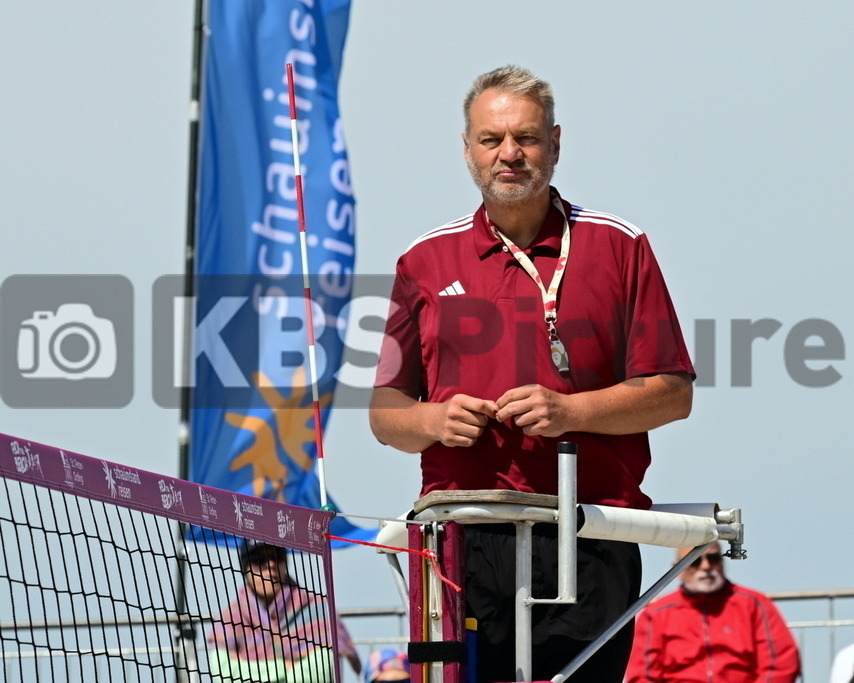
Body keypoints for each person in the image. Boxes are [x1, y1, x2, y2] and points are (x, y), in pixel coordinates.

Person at [370, 64, 695, 683]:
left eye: (527, 137)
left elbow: (672, 393)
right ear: (467, 148)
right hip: (460, 536)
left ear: (556, 143)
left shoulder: (619, 246)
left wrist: (570, 411)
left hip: (587, 528)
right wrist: (434, 419)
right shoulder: (423, 260)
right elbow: (385, 414)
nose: (510, 154)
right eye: (492, 139)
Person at [625, 542, 801, 682]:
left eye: (714, 558)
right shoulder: (656, 615)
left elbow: (781, 664)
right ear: (676, 569)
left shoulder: (754, 605)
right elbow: (642, 675)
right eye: (694, 561)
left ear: (723, 562)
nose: (706, 566)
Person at [207, 541, 361, 682]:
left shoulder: (317, 608)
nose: (271, 564)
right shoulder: (230, 618)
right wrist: (282, 668)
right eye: (259, 559)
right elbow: (223, 674)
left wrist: (249, 671)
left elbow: (322, 668)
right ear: (245, 568)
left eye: (277, 556)